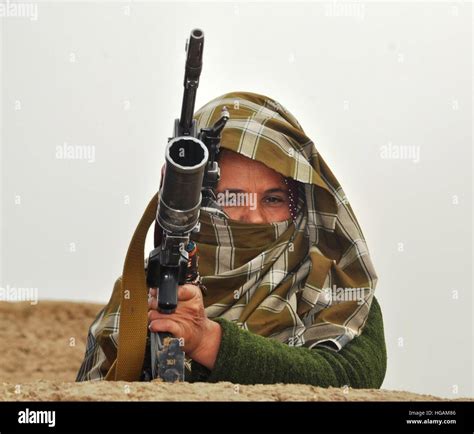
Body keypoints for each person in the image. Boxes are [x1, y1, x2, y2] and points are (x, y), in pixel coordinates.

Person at [76, 91, 387, 388]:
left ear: (299, 205)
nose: (252, 217)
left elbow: (349, 377)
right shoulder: (144, 291)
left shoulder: (339, 286)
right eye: (233, 198)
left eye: (273, 199)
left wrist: (208, 340)